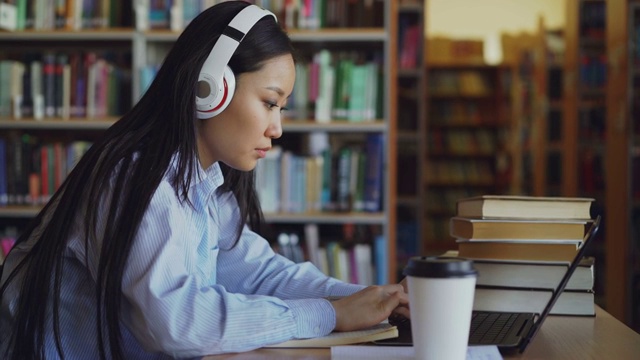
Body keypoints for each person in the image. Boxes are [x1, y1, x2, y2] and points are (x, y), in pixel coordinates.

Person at [0, 2, 409, 359]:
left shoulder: (202, 183)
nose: (277, 128)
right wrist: (331, 315)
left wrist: (372, 299)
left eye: (281, 108)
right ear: (210, 87)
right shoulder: (136, 179)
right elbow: (176, 323)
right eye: (269, 103)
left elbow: (261, 274)